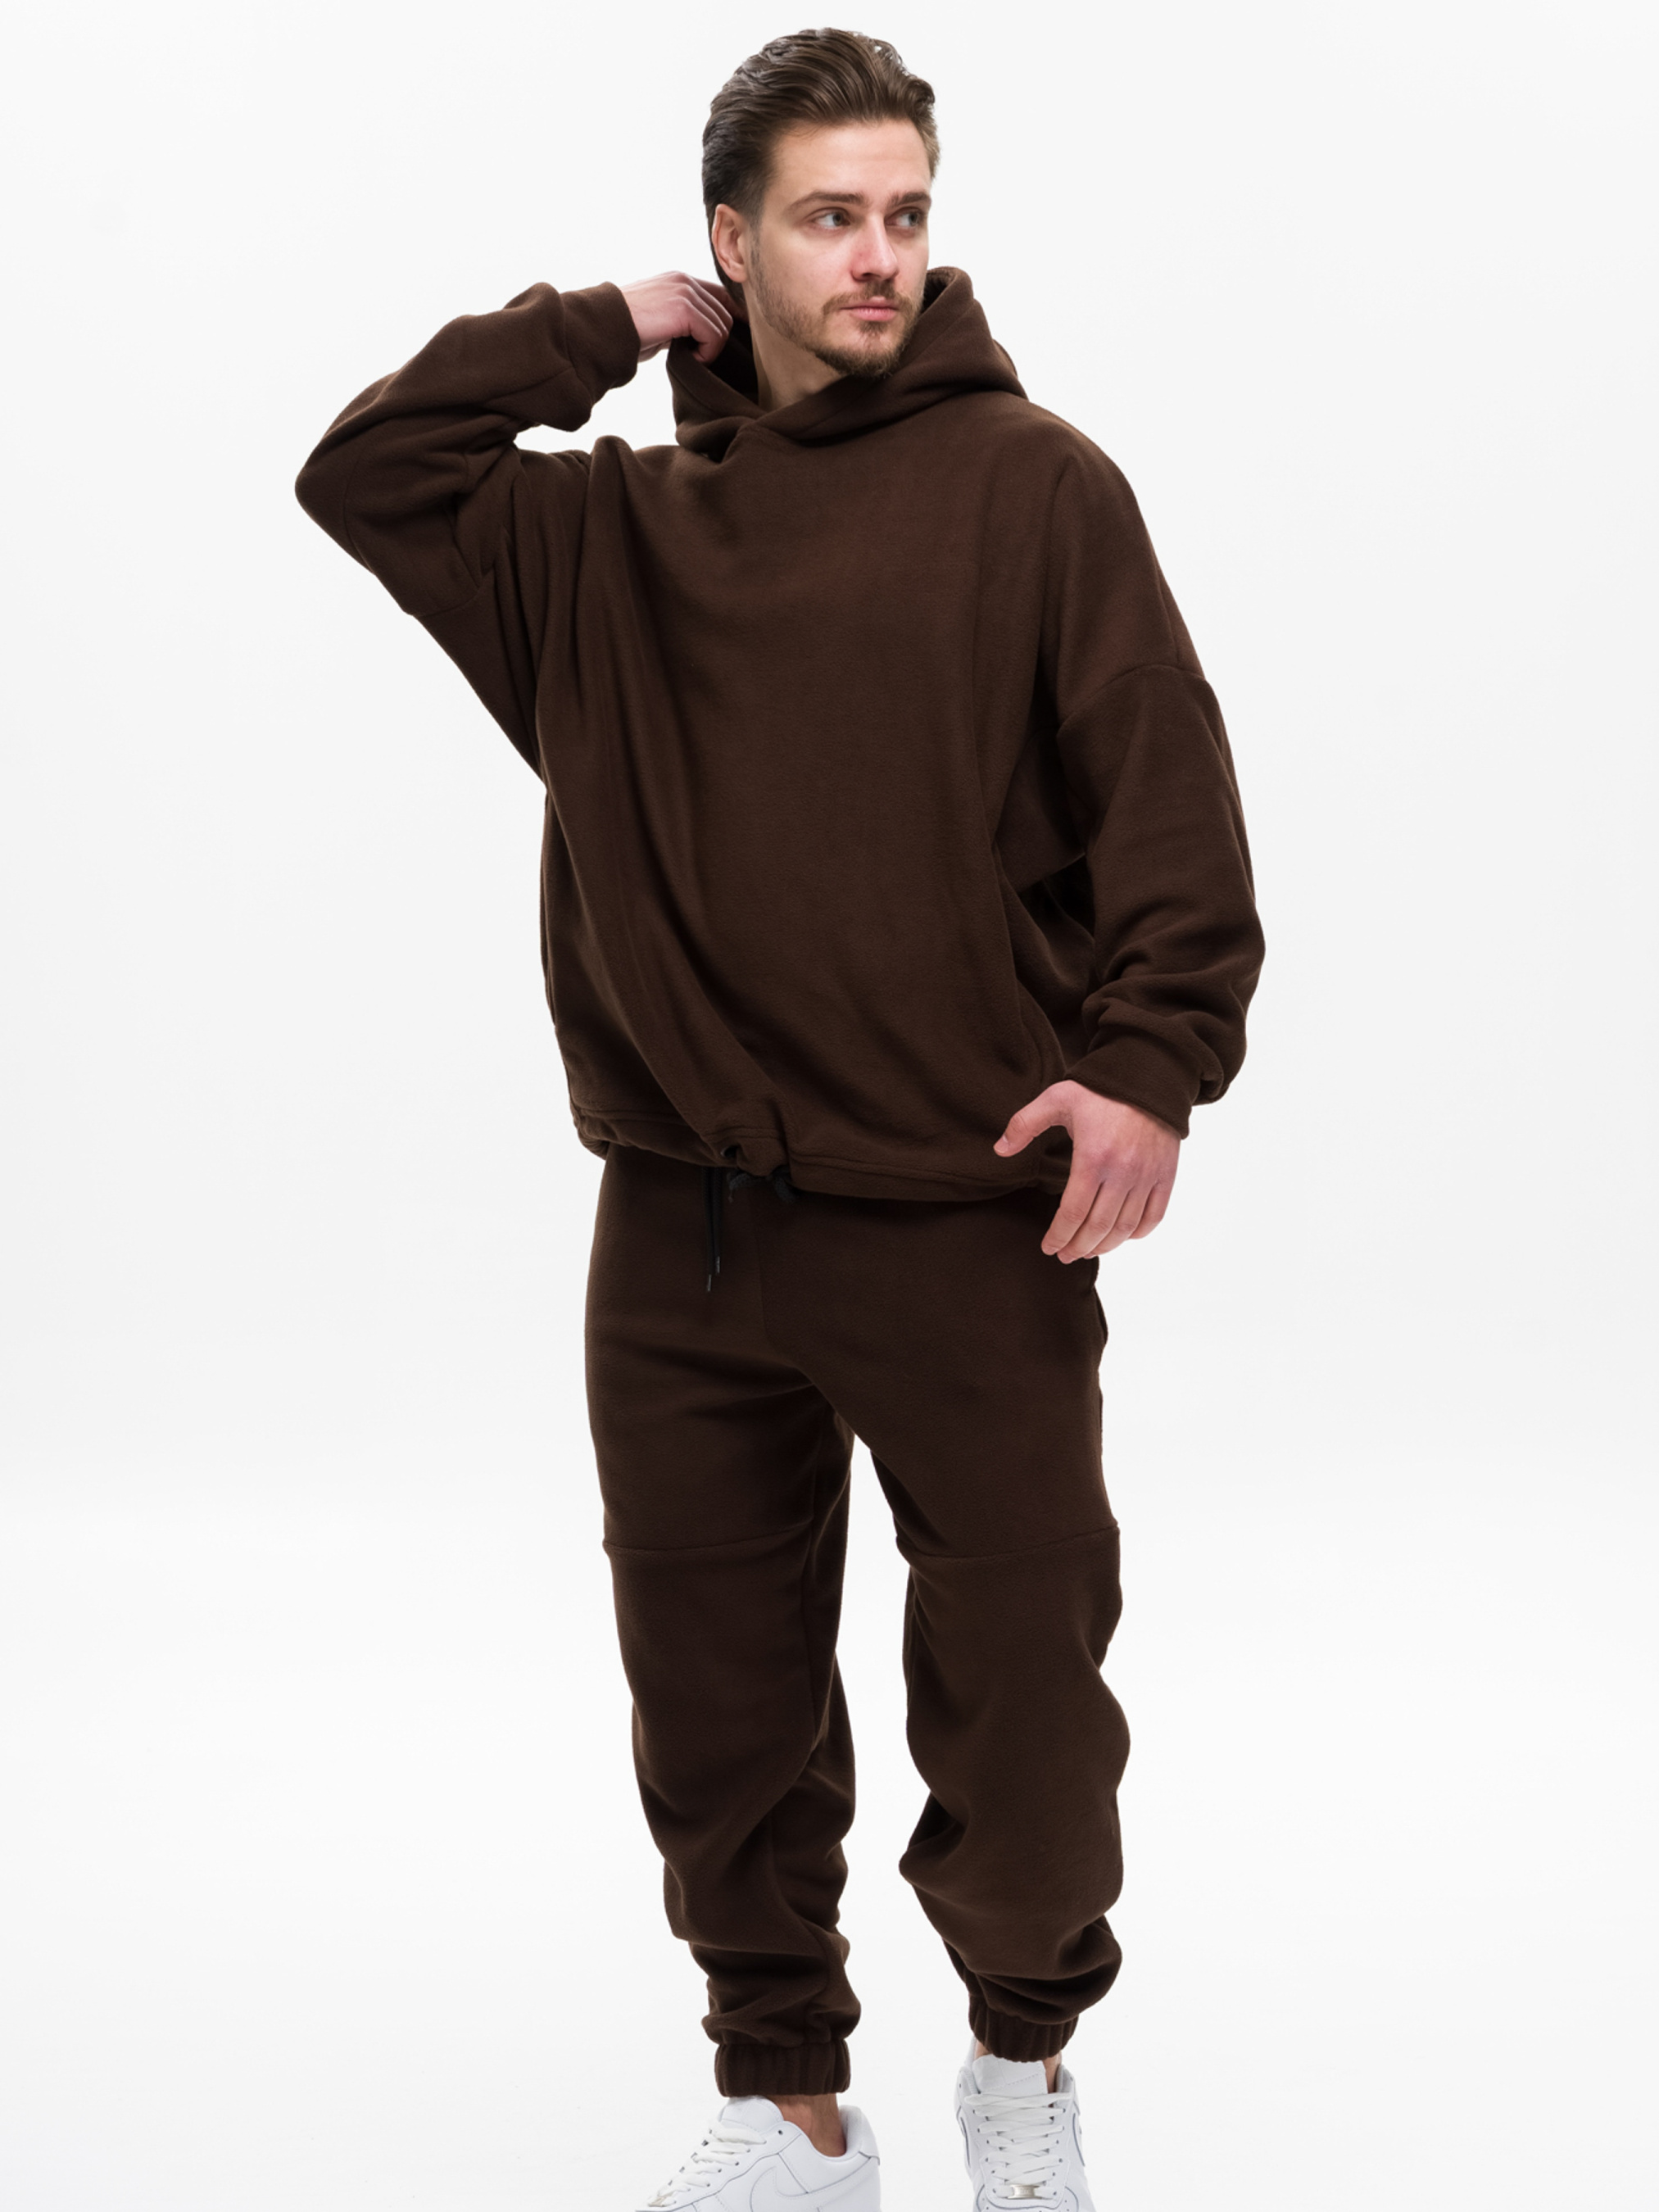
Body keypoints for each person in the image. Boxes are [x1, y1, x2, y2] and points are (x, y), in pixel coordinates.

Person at [296, 25, 1262, 2210]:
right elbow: (365, 470)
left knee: (1028, 1701)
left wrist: (1146, 1067)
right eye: (828, 217)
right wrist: (604, 324)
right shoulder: (605, 543)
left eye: (905, 213)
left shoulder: (1038, 490)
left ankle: (1020, 2058)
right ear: (732, 242)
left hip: (969, 1210)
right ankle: (791, 2108)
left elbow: (1172, 820)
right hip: (686, 1225)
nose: (878, 257)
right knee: (717, 1702)